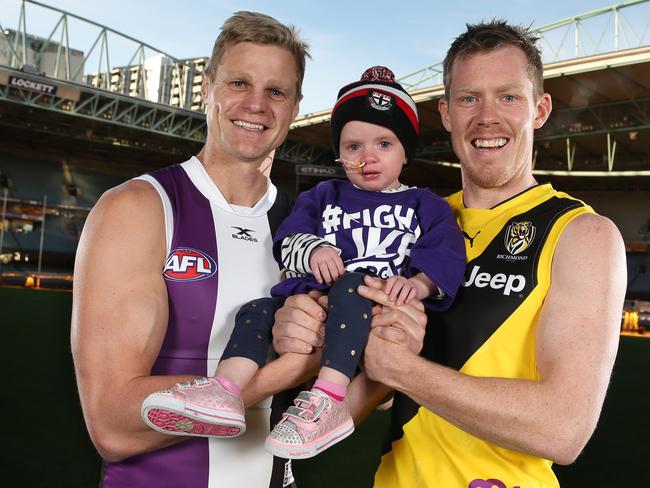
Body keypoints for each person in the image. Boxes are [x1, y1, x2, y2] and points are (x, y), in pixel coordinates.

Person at [275, 20, 627, 488]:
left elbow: (563, 429)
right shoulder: (414, 222)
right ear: (445, 113)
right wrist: (310, 349)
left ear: (539, 109)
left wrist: (404, 369)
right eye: (468, 98)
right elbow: (370, 393)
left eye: (508, 96)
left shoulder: (582, 234)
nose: (486, 116)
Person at [141, 66, 466, 460]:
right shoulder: (322, 194)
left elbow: (448, 253)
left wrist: (419, 285)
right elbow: (287, 241)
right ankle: (224, 392)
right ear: (339, 154)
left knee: (352, 282)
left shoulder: (424, 204)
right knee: (258, 309)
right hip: (310, 307)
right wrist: (312, 250)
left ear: (405, 151)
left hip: (370, 307)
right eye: (352, 147)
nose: (367, 157)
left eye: (384, 143)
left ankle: (329, 398)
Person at [71, 11, 319, 488]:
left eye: (276, 91)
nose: (256, 105)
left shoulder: (304, 230)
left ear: (295, 106)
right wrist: (281, 373)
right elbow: (112, 427)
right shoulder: (140, 208)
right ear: (206, 88)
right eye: (238, 83)